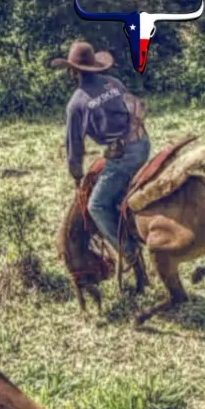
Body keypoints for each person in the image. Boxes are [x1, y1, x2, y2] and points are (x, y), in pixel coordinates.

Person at [51, 41, 150, 266]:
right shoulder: (114, 83)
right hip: (143, 143)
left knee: (96, 205)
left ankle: (130, 252)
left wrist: (76, 174)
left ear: (73, 71)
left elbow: (75, 146)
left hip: (124, 157)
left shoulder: (76, 104)